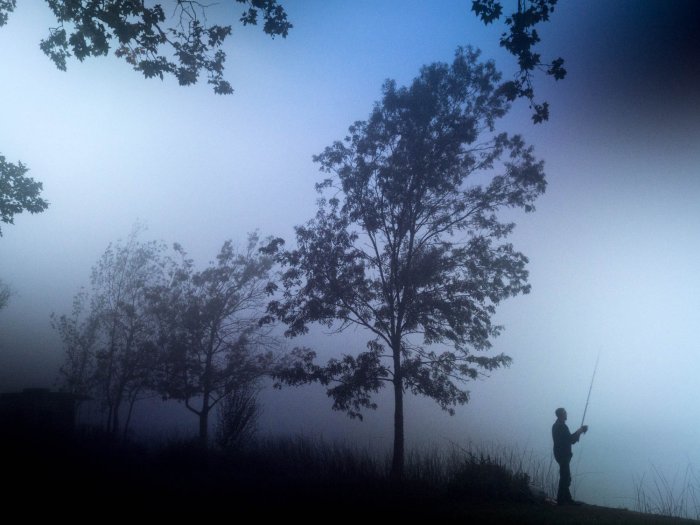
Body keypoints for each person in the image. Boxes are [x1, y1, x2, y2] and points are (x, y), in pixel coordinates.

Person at [552, 407, 588, 505]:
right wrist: (580, 431)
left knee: (565, 476)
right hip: (563, 455)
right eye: (565, 413)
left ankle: (567, 499)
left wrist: (578, 433)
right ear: (561, 415)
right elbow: (571, 440)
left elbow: (569, 439)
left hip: (559, 454)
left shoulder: (556, 426)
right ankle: (561, 500)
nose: (566, 414)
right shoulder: (562, 427)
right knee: (565, 477)